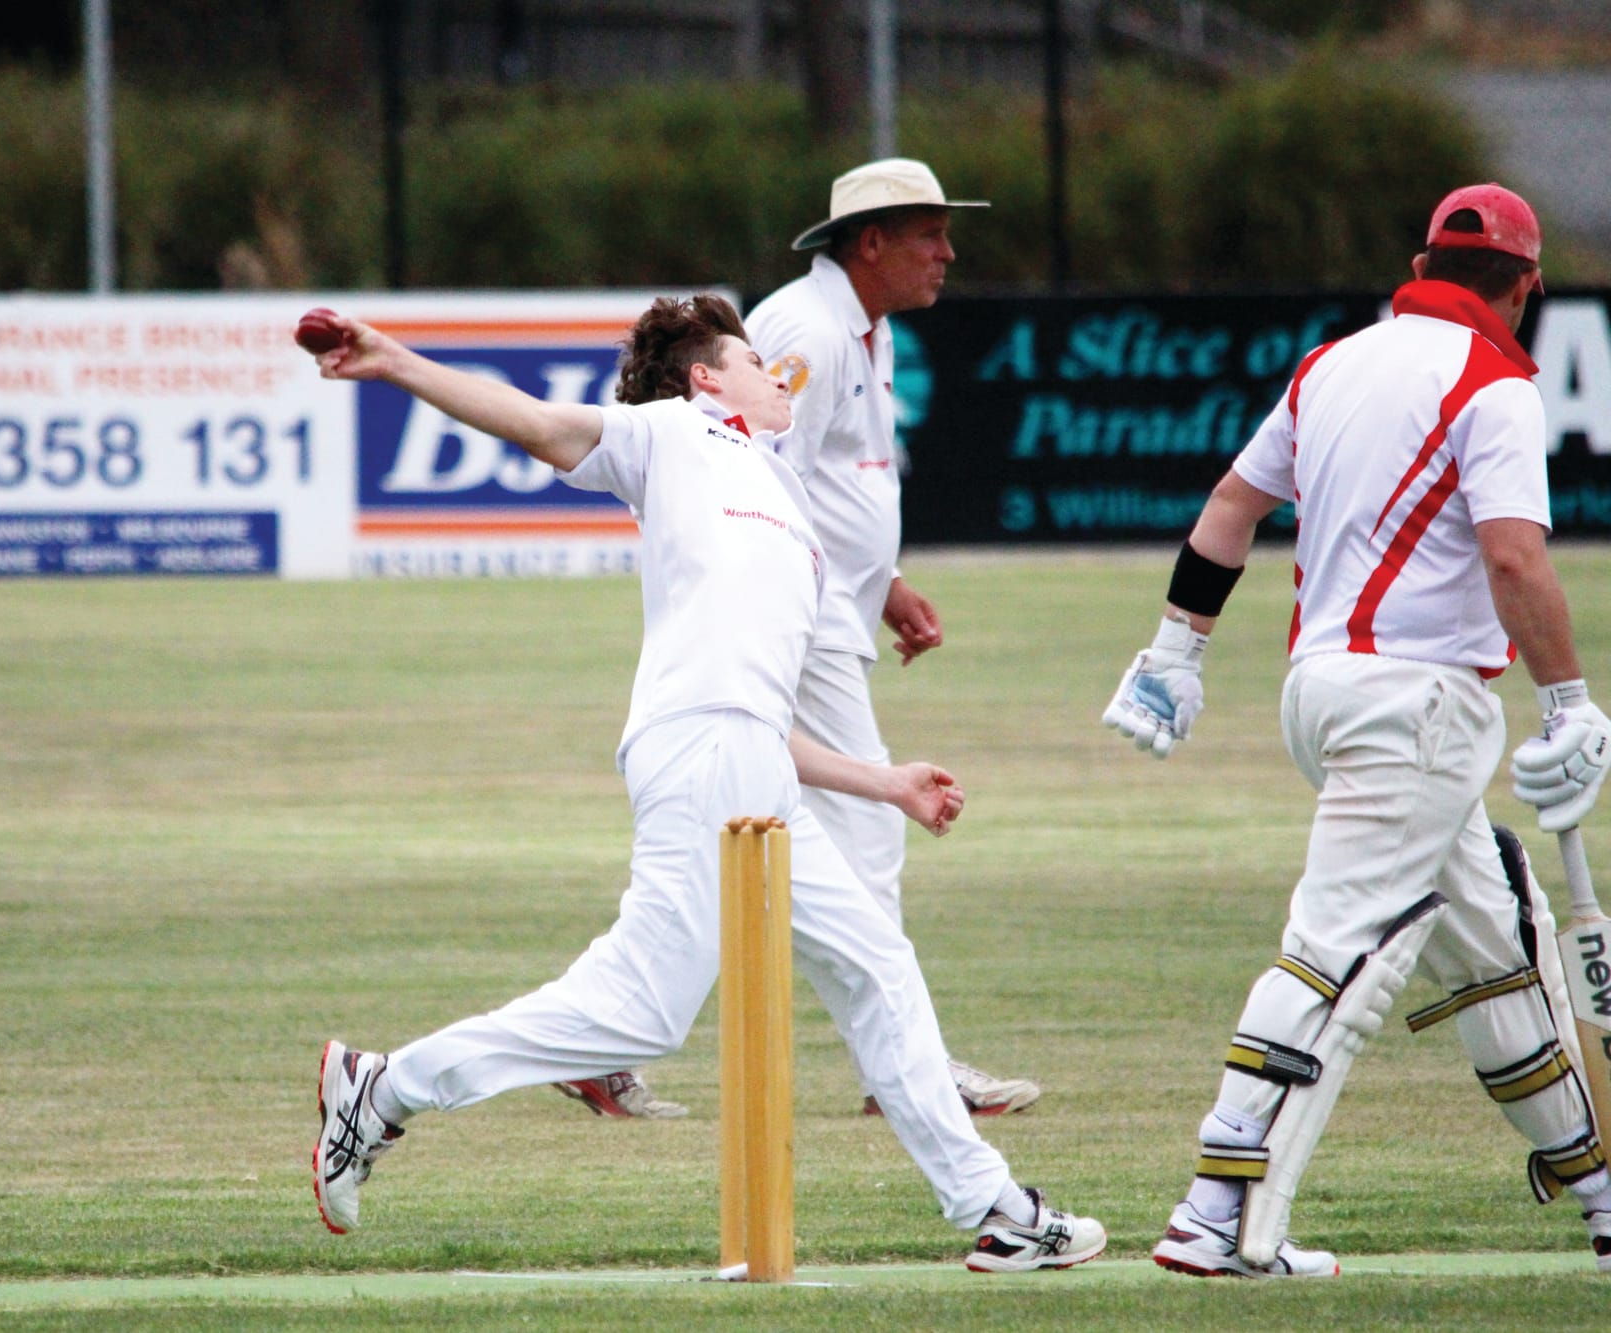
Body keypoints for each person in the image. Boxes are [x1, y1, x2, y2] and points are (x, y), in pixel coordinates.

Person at [305, 294, 1105, 1272]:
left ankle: (997, 1210)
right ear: (706, 379)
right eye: (755, 362)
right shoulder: (673, 434)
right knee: (638, 1013)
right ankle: (384, 1087)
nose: (777, 376)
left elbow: (763, 719)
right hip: (696, 755)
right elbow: (538, 422)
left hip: (754, 764)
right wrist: (393, 361)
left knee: (876, 966)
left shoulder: (785, 504)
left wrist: (882, 781)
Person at [1102, 182, 1611, 1277]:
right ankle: (1218, 1212)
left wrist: (1174, 651)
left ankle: (1598, 1177)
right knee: (1343, 952)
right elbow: (1513, 557)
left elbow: (1229, 510)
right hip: (1411, 707)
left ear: (1420, 263)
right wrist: (1568, 700)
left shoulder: (1328, 364)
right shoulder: (1496, 384)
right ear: (1522, 286)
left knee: (1499, 946)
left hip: (1321, 693)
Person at [746, 157, 1041, 1119]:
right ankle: (906, 1072)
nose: (947, 254)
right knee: (867, 830)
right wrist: (802, 612)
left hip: (828, 612)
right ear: (869, 242)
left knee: (758, 831)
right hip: (794, 620)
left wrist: (888, 584)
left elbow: (832, 481)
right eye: (930, 234)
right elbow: (749, 474)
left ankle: (610, 1044)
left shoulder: (856, 329)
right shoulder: (807, 329)